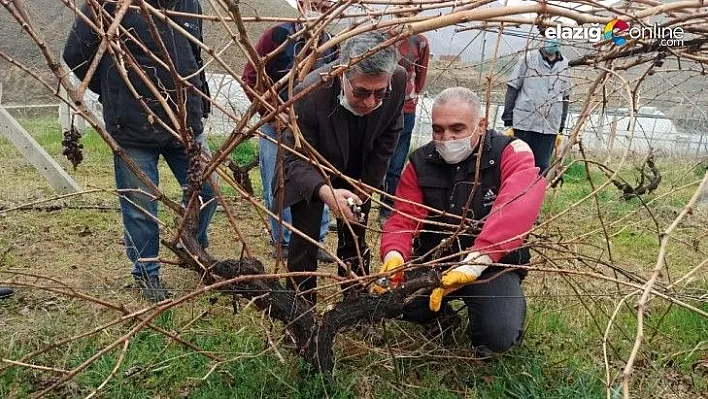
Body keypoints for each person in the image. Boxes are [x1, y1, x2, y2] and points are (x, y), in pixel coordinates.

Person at [63, 0, 215, 302]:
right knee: (141, 206)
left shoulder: (189, 2)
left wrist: (202, 95)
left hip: (186, 121)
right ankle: (147, 272)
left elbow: (193, 55)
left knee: (207, 190)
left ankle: (191, 245)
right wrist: (114, 88)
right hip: (132, 123)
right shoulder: (106, 4)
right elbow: (75, 55)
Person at [376, 87, 546, 356]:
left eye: (457, 129)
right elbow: (403, 220)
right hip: (437, 260)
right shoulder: (420, 162)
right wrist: (394, 254)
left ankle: (487, 329)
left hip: (492, 264)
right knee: (396, 301)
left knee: (498, 335)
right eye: (438, 130)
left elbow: (519, 201)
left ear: (481, 124)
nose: (447, 138)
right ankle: (441, 319)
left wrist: (477, 262)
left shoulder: (510, 151)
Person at [276, 31, 405, 305]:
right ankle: (301, 310)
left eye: (379, 93)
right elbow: (294, 158)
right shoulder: (311, 92)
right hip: (314, 167)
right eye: (361, 92)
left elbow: (391, 131)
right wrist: (326, 192)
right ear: (342, 74)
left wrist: (366, 185)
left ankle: (355, 301)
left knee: (355, 235)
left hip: (360, 165)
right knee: (306, 238)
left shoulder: (398, 80)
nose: (371, 102)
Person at [241, 0, 338, 262]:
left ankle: (315, 240)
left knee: (319, 178)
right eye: (316, 4)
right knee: (279, 182)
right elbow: (250, 77)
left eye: (327, 6)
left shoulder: (333, 43)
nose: (321, 9)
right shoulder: (277, 36)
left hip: (314, 129)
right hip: (278, 126)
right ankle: (282, 241)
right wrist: (272, 113)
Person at [379, 6, 430, 225]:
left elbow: (421, 74)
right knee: (372, 156)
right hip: (379, 105)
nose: (404, 16)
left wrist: (412, 95)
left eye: (408, 12)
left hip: (406, 107)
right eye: (400, 11)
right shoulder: (380, 35)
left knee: (397, 161)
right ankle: (359, 203)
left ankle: (386, 207)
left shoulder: (421, 41)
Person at [502, 37, 570, 174]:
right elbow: (513, 87)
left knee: (542, 167)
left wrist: (561, 123)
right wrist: (508, 117)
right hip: (525, 122)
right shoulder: (528, 59)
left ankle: (536, 194)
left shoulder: (565, 64)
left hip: (550, 125)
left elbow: (565, 96)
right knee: (520, 163)